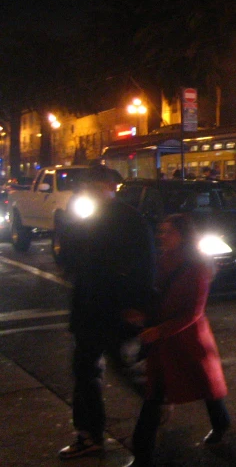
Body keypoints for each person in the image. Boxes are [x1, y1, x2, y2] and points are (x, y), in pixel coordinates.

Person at [59, 164, 156, 460]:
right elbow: (71, 257)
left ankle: (157, 398)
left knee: (120, 363)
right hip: (89, 306)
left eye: (97, 185)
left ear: (109, 188)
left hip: (115, 307)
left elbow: (145, 265)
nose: (91, 190)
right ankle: (89, 433)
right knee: (86, 369)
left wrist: (135, 305)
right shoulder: (83, 218)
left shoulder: (130, 219)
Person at [127, 213, 230, 467]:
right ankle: (141, 455)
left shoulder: (197, 266)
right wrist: (142, 314)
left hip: (188, 340)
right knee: (153, 397)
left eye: (168, 232)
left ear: (182, 235)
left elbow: (194, 312)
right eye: (160, 231)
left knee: (207, 388)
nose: (161, 236)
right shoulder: (162, 260)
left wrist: (159, 330)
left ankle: (221, 424)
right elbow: (156, 296)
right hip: (164, 342)